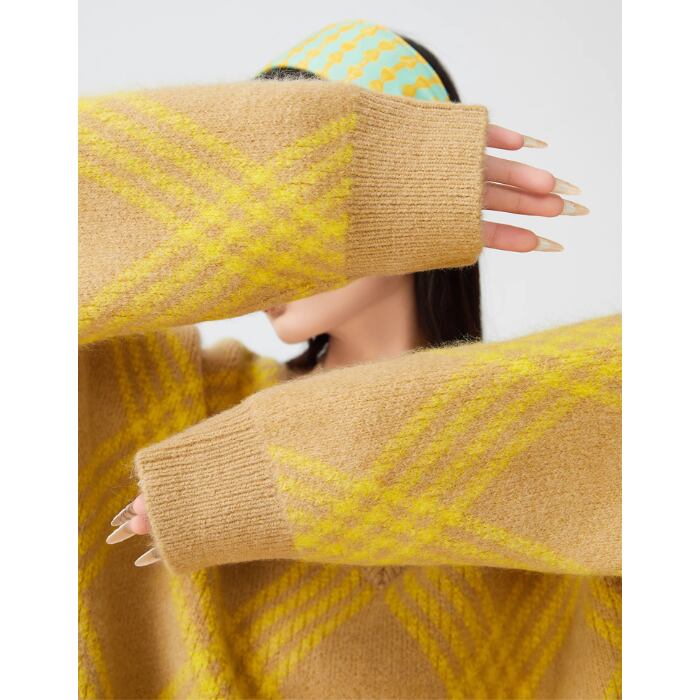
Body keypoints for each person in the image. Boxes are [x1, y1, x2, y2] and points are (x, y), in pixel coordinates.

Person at [79, 20, 620, 699]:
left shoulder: (538, 453)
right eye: (251, 208)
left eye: (302, 202)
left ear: (414, 205)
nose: (268, 248)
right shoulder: (178, 404)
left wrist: (273, 474)